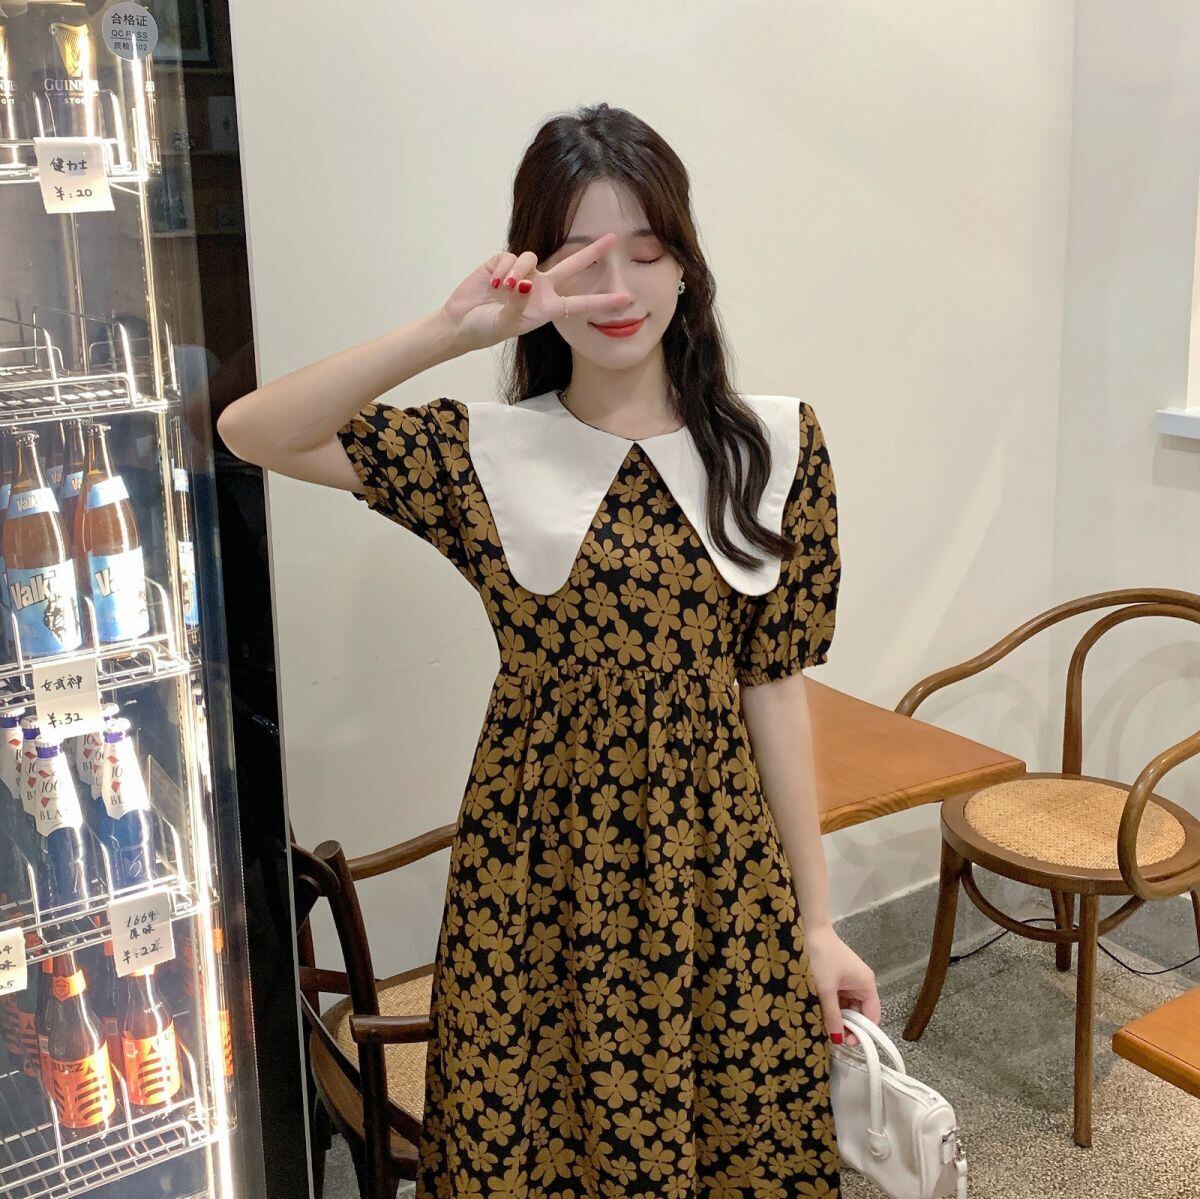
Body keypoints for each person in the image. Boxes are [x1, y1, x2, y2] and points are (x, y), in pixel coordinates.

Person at [219, 102, 880, 1199]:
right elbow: (253, 429)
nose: (617, 288)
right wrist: (454, 330)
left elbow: (774, 687)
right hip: (536, 877)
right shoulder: (484, 452)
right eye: (580, 256)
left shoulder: (774, 447)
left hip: (715, 869)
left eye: (647, 250)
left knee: (730, 1131)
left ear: (687, 266)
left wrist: (817, 921)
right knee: (540, 1144)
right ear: (534, 273)